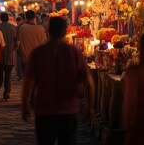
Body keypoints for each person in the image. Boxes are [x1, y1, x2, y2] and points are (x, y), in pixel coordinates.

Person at [22, 17, 95, 145]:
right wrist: (89, 108)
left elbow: (28, 83)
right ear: (65, 32)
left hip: (44, 111)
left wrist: (25, 105)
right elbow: (89, 84)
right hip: (68, 111)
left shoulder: (38, 53)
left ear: (47, 31)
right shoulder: (74, 53)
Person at [0, 13, 17, 100]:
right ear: (8, 19)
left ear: (0, 18)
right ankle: (7, 93)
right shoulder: (14, 28)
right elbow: (17, 43)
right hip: (10, 56)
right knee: (8, 76)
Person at [18, 10, 47, 76]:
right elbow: (45, 42)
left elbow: (18, 42)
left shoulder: (22, 28)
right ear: (35, 17)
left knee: (27, 81)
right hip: (38, 58)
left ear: (25, 18)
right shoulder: (41, 28)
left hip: (25, 58)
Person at [15, 14, 26, 81]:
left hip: (21, 47)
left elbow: (17, 38)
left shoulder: (20, 27)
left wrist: (17, 46)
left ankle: (21, 76)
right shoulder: (25, 26)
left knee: (20, 62)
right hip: (26, 46)